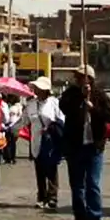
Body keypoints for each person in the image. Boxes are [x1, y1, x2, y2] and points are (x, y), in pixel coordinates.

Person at [58, 65, 110, 220]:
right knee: (77, 185)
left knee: (93, 184)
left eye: (81, 77)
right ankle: (80, 216)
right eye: (77, 77)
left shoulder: (100, 96)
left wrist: (94, 109)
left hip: (94, 146)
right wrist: (80, 99)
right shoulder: (70, 94)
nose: (78, 80)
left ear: (90, 78)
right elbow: (64, 108)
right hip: (75, 145)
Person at [12, 76, 64, 210]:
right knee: (39, 169)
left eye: (40, 88)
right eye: (36, 88)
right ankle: (41, 196)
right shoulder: (31, 104)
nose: (37, 90)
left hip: (50, 140)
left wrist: (51, 127)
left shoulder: (54, 103)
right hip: (36, 141)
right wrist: (10, 130)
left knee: (51, 168)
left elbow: (62, 120)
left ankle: (52, 197)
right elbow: (23, 121)